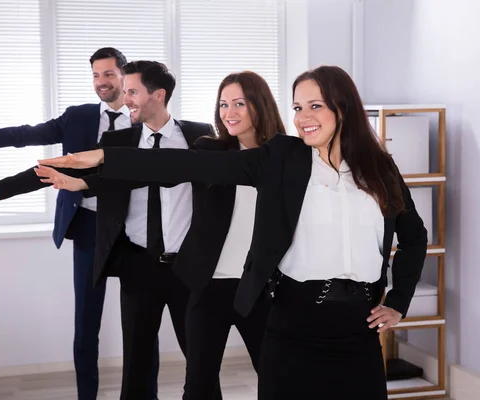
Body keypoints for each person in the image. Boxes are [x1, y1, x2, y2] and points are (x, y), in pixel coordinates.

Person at [36, 65, 428, 400]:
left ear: (344, 110)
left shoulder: (379, 169)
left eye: (315, 106)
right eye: (297, 107)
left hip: (357, 326)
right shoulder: (283, 160)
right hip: (293, 320)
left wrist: (399, 299)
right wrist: (106, 157)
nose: (302, 116)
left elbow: (413, 236)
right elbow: (187, 165)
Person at [0, 47, 159, 400]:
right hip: (89, 228)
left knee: (142, 326)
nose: (101, 82)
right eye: (95, 75)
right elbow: (25, 136)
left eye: (108, 74)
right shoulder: (77, 117)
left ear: (125, 75)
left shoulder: (145, 118)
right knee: (85, 325)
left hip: (134, 229)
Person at [36, 70, 284, 399]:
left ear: (261, 104)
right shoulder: (212, 151)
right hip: (208, 287)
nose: (229, 112)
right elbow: (163, 165)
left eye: (239, 103)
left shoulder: (285, 157)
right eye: (223, 104)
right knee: (197, 384)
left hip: (258, 288)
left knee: (277, 379)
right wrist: (99, 163)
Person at [65, 60, 220, 399]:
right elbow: (93, 180)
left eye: (132, 91)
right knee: (136, 363)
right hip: (137, 264)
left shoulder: (200, 135)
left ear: (158, 95)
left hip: (188, 268)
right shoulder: (116, 140)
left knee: (201, 361)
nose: (126, 97)